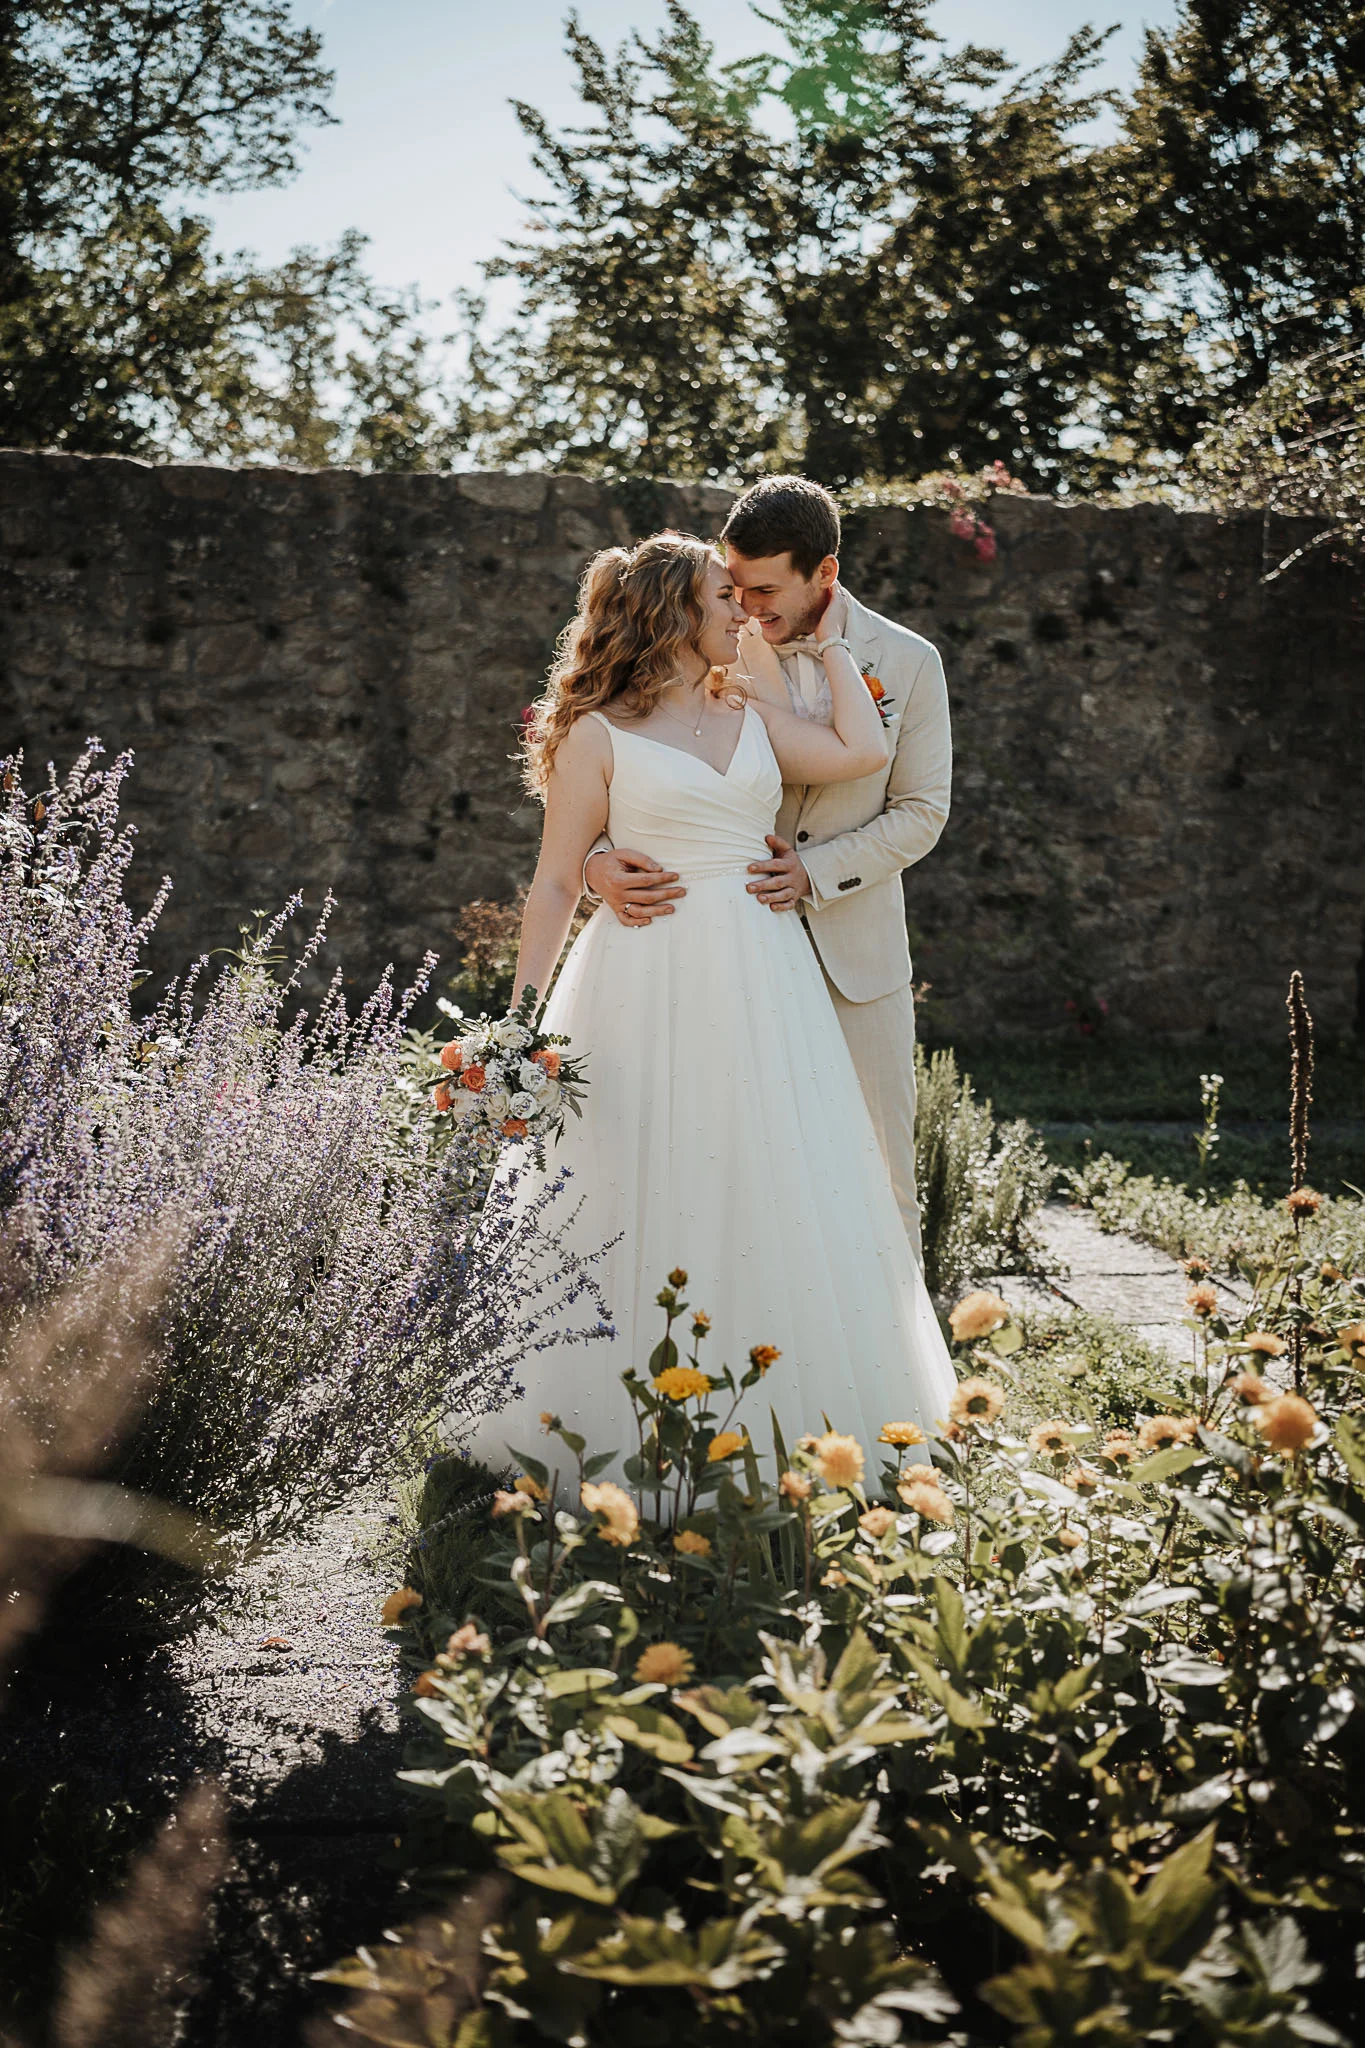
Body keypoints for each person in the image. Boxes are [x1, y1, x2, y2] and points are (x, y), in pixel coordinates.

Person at [456, 531, 953, 1474]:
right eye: (724, 598)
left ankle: (774, 1412)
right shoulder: (595, 732)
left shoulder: (747, 707)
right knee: (637, 1174)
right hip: (644, 975)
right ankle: (614, 1425)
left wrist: (832, 647)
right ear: (673, 614)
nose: (742, 613)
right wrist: (521, 1024)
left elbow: (861, 751)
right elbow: (556, 880)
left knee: (771, 1172)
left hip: (766, 975)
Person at [584, 477, 951, 1267]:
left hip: (854, 957)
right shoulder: (708, 640)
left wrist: (813, 872)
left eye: (764, 590)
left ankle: (898, 1342)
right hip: (724, 957)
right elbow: (625, 760)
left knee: (881, 1170)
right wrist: (595, 861)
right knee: (737, 1170)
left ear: (825, 572)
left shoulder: (909, 662)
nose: (745, 608)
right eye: (736, 587)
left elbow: (922, 811)